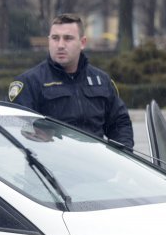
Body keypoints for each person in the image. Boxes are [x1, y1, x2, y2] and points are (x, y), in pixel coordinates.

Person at [8, 13, 134, 149]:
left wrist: (122, 159)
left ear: (83, 42)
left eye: (68, 38)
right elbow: (15, 130)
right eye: (55, 38)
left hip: (94, 166)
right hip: (49, 167)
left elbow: (119, 124)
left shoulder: (101, 81)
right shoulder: (30, 82)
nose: (60, 45)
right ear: (49, 40)